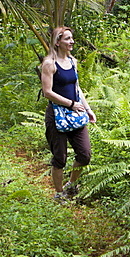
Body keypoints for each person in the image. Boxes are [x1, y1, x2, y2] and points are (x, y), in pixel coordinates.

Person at [40, 26, 96, 200]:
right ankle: (59, 194)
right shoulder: (49, 63)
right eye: (67, 39)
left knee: (84, 154)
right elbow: (47, 92)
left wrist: (87, 109)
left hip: (76, 113)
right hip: (57, 115)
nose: (71, 42)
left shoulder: (73, 61)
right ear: (58, 42)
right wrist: (70, 104)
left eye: (72, 38)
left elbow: (77, 88)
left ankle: (71, 184)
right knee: (60, 158)